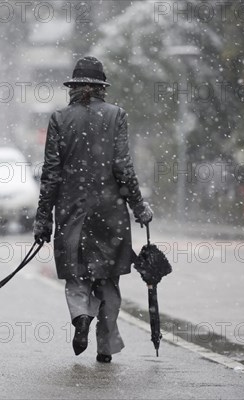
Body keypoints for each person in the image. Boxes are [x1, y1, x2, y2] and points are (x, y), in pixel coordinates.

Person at [33, 56, 153, 363]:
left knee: (77, 278)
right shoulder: (117, 116)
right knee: (108, 280)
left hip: (72, 211)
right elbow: (123, 167)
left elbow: (51, 174)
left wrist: (43, 219)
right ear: (102, 88)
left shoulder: (60, 119)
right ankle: (104, 347)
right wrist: (139, 206)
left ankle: (81, 316)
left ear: (73, 87)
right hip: (110, 212)